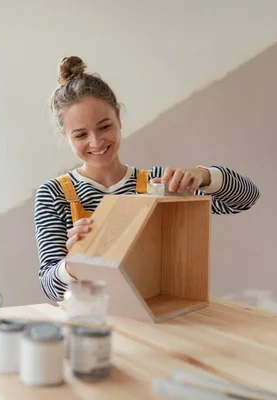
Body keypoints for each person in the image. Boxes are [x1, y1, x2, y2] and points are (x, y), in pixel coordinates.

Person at [34, 56, 260, 302]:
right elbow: (50, 287)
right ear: (65, 136)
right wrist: (74, 261)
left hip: (154, 314)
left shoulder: (158, 186)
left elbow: (246, 198)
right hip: (90, 322)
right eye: (80, 134)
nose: (96, 142)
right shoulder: (53, 195)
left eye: (104, 127)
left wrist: (203, 175)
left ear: (118, 118)